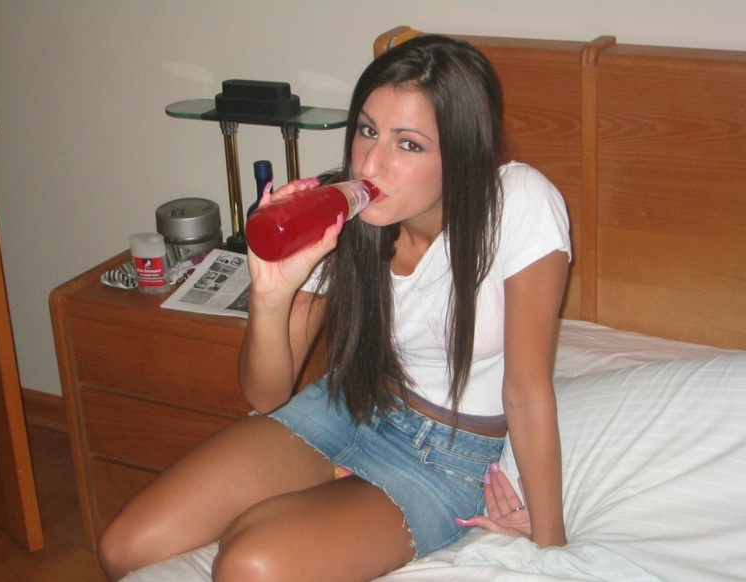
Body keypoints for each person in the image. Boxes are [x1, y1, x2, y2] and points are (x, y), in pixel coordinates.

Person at [97, 34, 570, 582]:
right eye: (367, 131)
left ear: (461, 153)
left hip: (443, 456)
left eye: (408, 144)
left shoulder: (519, 203)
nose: (372, 163)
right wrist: (271, 296)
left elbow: (526, 391)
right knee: (124, 547)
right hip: (349, 404)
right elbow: (266, 395)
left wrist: (551, 549)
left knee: (249, 565)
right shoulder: (338, 216)